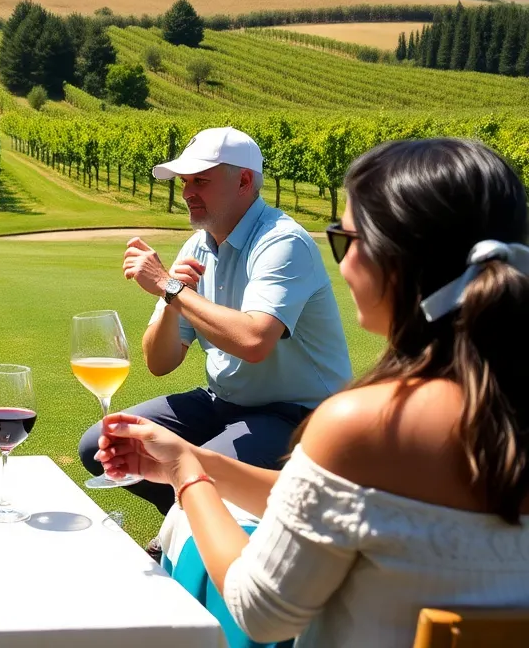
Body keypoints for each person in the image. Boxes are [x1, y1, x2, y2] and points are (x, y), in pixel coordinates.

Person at [97, 137, 529, 647]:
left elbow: (261, 614)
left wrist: (186, 475)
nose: (340, 266)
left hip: (288, 412)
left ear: (394, 258)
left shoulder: (364, 422)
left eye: (344, 241)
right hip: (228, 404)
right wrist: (193, 459)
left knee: (189, 535)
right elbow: (338, 501)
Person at [79, 127, 351, 521]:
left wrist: (169, 288)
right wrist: (173, 302)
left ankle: (190, 528)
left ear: (243, 181)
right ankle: (178, 520)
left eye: (201, 180)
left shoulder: (282, 241)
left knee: (196, 474)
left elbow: (254, 341)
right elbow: (160, 362)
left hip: (299, 417)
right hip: (222, 402)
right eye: (185, 181)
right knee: (102, 446)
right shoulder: (199, 244)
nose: (188, 191)